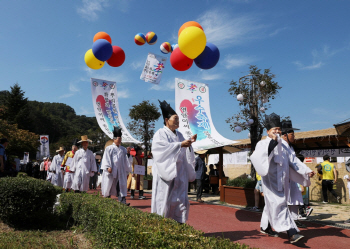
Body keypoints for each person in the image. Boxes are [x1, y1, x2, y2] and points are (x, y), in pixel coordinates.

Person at [250, 113, 314, 244]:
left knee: (272, 204)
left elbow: (293, 161)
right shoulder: (262, 144)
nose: (277, 131)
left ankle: (266, 226)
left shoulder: (284, 145)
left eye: (279, 129)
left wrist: (306, 171)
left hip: (283, 181)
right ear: (268, 131)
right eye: (274, 129)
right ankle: (292, 233)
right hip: (271, 181)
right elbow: (258, 158)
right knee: (280, 204)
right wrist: (273, 143)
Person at [151, 100, 196, 224]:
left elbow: (184, 149)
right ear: (167, 120)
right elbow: (160, 150)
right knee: (164, 199)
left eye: (178, 119)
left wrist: (189, 142)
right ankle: (162, 225)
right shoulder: (160, 134)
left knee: (180, 199)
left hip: (179, 171)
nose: (177, 122)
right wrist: (180, 145)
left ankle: (179, 223)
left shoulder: (179, 134)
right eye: (175, 119)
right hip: (166, 171)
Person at [281, 120, 313, 229]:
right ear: (285, 136)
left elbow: (295, 162)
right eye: (292, 134)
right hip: (281, 179)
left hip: (291, 179)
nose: (294, 136)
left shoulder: (290, 148)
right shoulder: (280, 146)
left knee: (294, 200)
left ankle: (293, 223)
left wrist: (307, 170)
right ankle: (268, 225)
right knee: (280, 204)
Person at [101, 127, 132, 205]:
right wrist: (108, 166)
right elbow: (106, 158)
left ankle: (122, 201)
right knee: (109, 184)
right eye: (118, 138)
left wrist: (128, 155)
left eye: (120, 138)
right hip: (112, 170)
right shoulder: (109, 148)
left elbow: (126, 160)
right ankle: (107, 201)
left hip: (120, 171)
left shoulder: (123, 149)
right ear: (114, 139)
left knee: (121, 185)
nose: (120, 140)